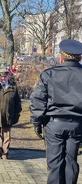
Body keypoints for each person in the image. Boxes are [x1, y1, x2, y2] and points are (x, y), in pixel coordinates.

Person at [30, 39, 82, 184]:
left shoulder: (49, 74)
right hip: (77, 124)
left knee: (55, 163)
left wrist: (36, 122)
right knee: (71, 162)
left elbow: (38, 100)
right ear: (80, 57)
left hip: (55, 124)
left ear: (61, 57)